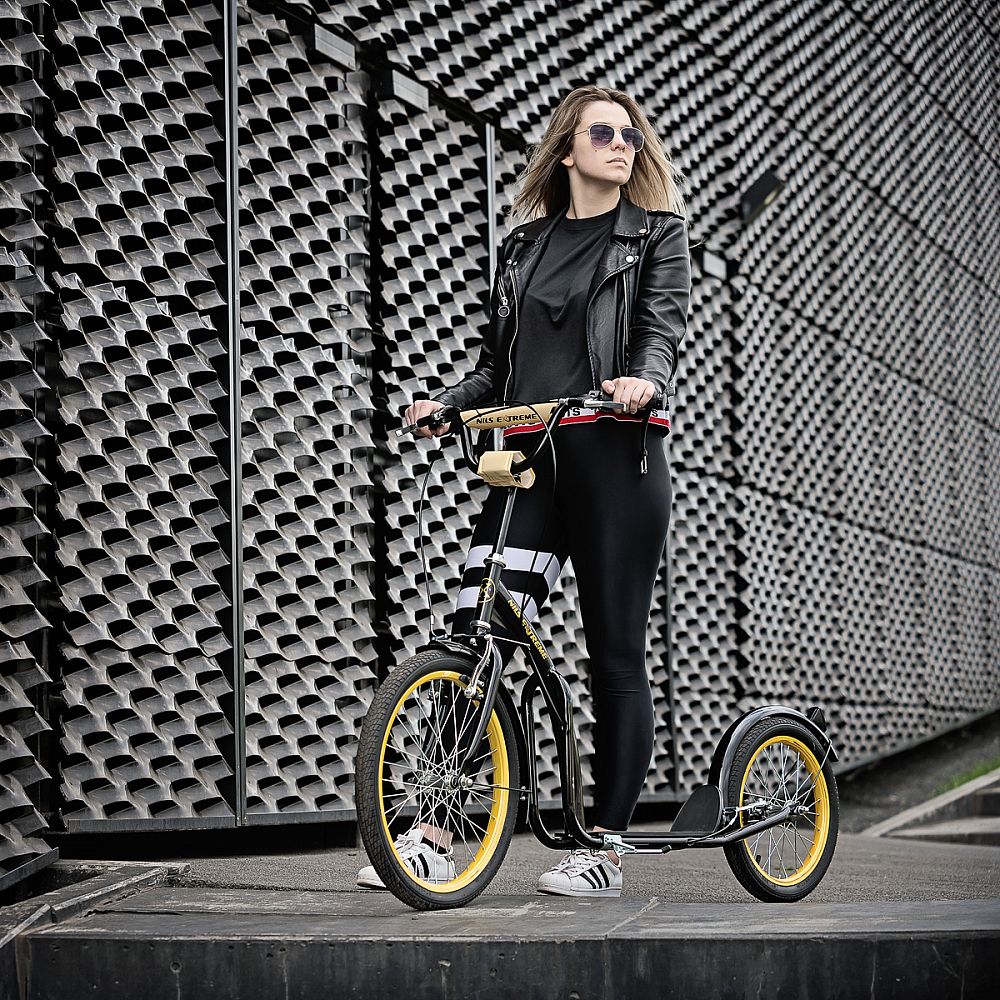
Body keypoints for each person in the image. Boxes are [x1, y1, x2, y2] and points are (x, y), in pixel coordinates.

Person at [357, 85, 690, 897]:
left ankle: (605, 850)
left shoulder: (656, 236)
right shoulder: (524, 247)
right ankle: (436, 836)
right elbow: (496, 367)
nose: (623, 144)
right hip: (529, 460)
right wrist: (448, 404)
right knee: (480, 637)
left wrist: (643, 381)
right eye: (603, 133)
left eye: (631, 135)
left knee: (615, 655)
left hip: (615, 458)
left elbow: (659, 332)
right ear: (567, 150)